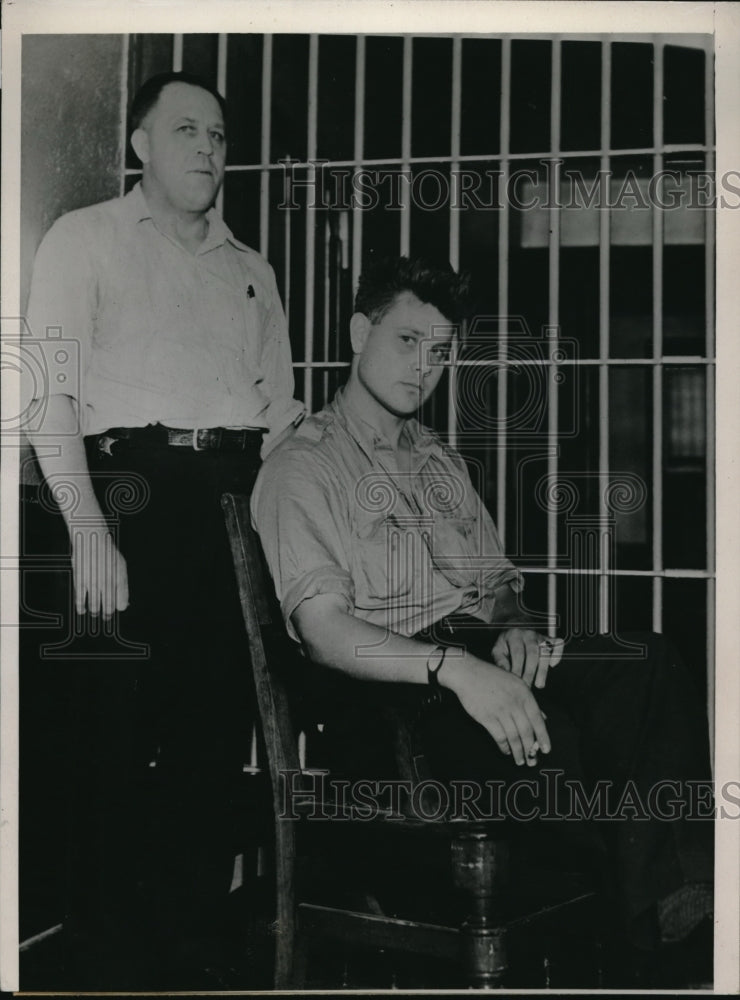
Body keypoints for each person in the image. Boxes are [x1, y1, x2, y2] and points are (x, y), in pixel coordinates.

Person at [251, 256, 714, 986]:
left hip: (473, 659)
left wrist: (516, 625)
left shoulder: (442, 463)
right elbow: (324, 630)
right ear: (357, 332)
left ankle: (684, 913)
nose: (424, 367)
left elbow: (498, 588)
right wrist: (457, 669)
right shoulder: (302, 467)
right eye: (407, 342)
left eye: (440, 352)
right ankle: (654, 949)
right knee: (590, 753)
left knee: (645, 662)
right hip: (394, 696)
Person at [24, 71, 303, 985]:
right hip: (128, 496)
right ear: (138, 144)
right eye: (184, 129)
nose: (207, 147)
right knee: (108, 738)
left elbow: (281, 419)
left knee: (211, 735)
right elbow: (46, 393)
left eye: (219, 133)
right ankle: (99, 958)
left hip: (231, 504)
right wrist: (87, 524)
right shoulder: (85, 240)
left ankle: (190, 949)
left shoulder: (252, 270)